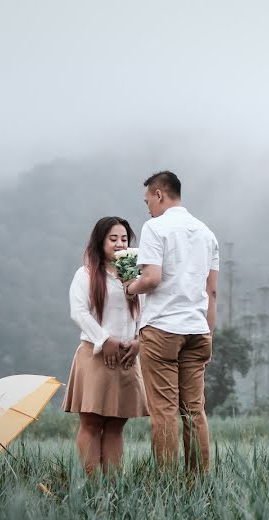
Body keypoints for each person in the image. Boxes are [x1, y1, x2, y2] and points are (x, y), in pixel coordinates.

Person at [124, 171, 218, 473]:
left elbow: (151, 279)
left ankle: (166, 483)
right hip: (198, 331)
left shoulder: (155, 227)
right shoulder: (207, 234)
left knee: (163, 412)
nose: (148, 207)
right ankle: (198, 482)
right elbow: (211, 292)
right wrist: (209, 334)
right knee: (194, 411)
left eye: (147, 200)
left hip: (163, 329)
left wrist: (129, 286)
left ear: (159, 194)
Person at [62, 216, 148, 475]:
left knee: (116, 425)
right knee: (91, 422)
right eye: (113, 239)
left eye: (124, 239)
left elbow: (145, 312)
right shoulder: (86, 274)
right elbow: (78, 312)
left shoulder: (135, 276)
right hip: (95, 354)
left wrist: (139, 342)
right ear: (100, 242)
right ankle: (92, 487)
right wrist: (104, 339)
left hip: (127, 357)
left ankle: (113, 489)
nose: (120, 244)